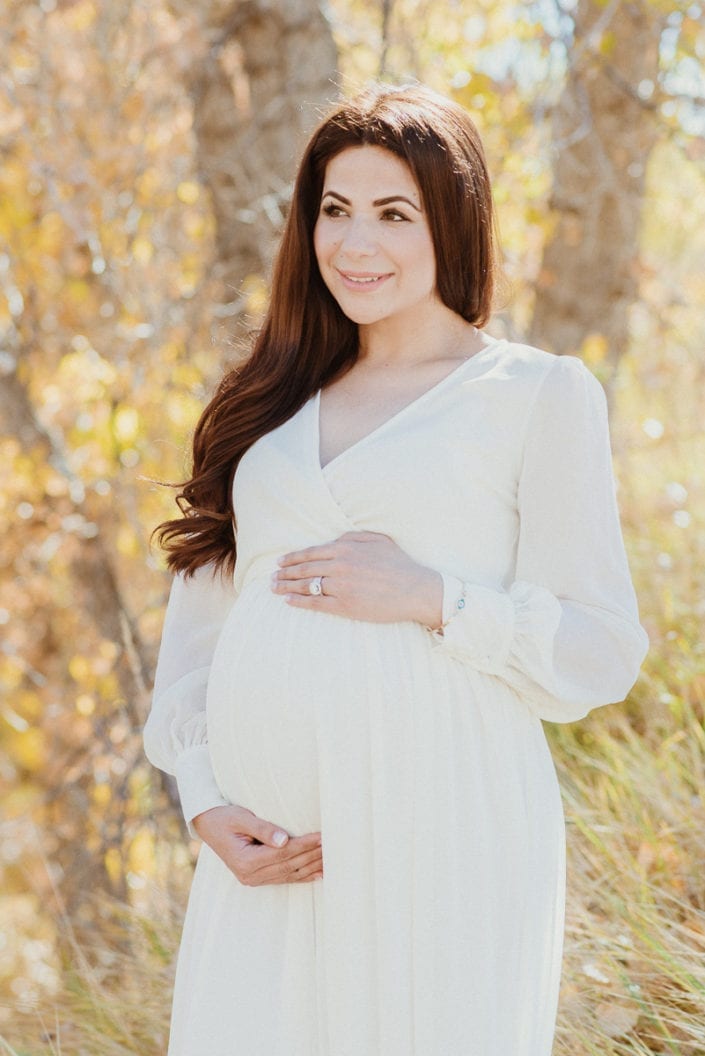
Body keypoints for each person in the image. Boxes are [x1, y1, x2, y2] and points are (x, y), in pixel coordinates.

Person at [143, 83, 648, 1056]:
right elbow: (196, 642)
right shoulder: (265, 408)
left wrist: (432, 597)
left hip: (446, 831)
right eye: (333, 211)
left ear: (453, 222)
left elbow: (601, 647)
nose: (353, 243)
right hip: (272, 858)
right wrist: (205, 798)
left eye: (392, 214)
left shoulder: (534, 395)